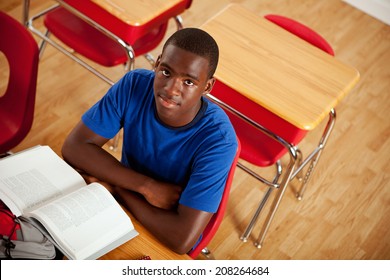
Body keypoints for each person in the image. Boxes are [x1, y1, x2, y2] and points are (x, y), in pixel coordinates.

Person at [62, 28, 238, 254]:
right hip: (120, 200)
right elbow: (74, 147)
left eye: (189, 82)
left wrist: (119, 186)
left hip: (160, 228)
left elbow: (181, 239)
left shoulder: (219, 142)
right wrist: (147, 187)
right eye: (166, 72)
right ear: (157, 64)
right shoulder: (134, 85)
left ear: (207, 87)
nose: (171, 89)